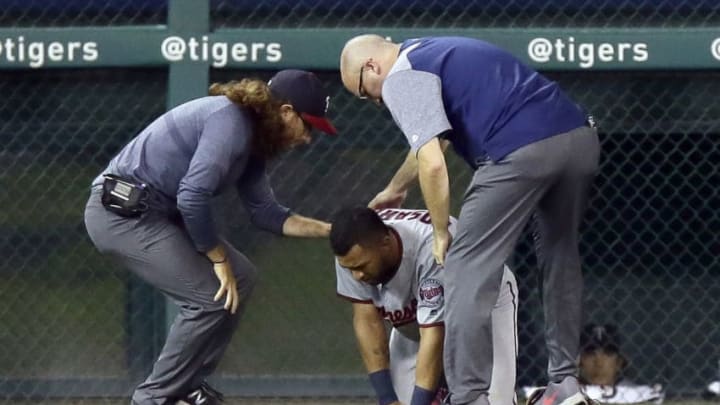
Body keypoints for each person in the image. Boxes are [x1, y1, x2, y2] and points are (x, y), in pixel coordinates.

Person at [340, 35, 600, 405]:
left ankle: (467, 397)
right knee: (559, 254)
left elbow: (432, 161)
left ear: (371, 67)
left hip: (517, 150)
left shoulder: (401, 77)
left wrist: (442, 230)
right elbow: (437, 139)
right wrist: (396, 187)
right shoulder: (431, 50)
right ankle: (564, 384)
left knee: (463, 268)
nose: (376, 101)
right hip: (578, 139)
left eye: (366, 93)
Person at [84, 69, 337, 405]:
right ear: (287, 111)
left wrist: (331, 231)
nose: (307, 138)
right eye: (308, 126)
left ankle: (187, 384)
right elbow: (192, 194)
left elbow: (266, 213)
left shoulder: (254, 140)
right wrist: (216, 256)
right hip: (119, 215)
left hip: (155, 214)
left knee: (242, 277)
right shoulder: (229, 120)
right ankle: (153, 398)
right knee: (209, 296)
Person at [330, 207, 518, 405]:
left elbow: (434, 334)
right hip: (416, 320)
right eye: (349, 268)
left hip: (482, 306)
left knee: (496, 401)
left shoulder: (430, 250)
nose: (356, 276)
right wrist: (387, 399)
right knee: (403, 398)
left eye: (360, 267)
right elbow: (367, 321)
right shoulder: (353, 255)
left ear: (386, 244)